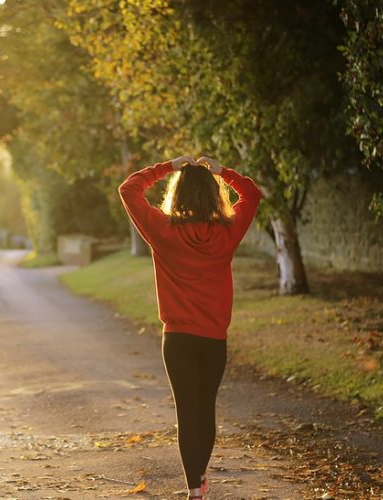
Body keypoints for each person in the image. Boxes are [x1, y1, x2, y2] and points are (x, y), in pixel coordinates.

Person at [118, 155, 262, 499]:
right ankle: (200, 480)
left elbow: (129, 188)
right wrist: (222, 172)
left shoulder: (163, 230)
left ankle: (195, 490)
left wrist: (168, 166)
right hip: (214, 339)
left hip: (178, 339)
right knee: (205, 409)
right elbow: (252, 195)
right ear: (214, 196)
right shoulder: (227, 232)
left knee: (187, 413)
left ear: (177, 194)